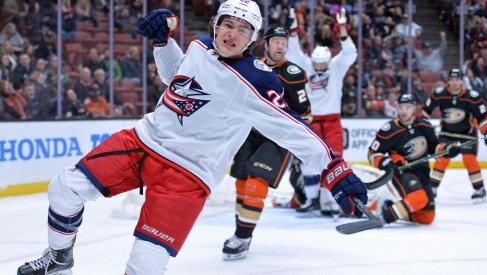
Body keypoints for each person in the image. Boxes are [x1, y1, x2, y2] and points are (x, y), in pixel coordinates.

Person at [17, 1, 368, 274]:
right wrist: (162, 41)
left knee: (146, 264)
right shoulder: (201, 46)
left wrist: (335, 170)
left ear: (253, 39)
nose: (232, 34)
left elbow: (294, 129)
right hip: (142, 143)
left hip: (187, 176)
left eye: (243, 30)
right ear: (216, 25)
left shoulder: (258, 81)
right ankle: (58, 259)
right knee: (65, 187)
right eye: (227, 24)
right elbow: (175, 75)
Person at [222, 26, 311, 261]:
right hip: (248, 133)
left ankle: (241, 237)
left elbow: (305, 112)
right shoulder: (251, 65)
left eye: (284, 42)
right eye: (277, 42)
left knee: (255, 184)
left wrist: (300, 140)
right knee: (241, 184)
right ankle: (243, 234)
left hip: (277, 137)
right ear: (267, 44)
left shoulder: (293, 73)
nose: (281, 46)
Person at [286, 7, 357, 216]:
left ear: (327, 61)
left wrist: (343, 30)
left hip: (333, 121)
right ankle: (310, 199)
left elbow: (351, 53)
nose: (318, 68)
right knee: (310, 162)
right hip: (311, 120)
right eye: (316, 64)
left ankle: (334, 202)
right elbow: (293, 53)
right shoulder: (307, 65)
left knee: (334, 162)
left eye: (321, 64)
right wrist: (292, 33)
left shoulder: (335, 67)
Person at [368, 94, 461, 225]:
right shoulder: (389, 130)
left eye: (408, 107)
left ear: (414, 108)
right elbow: (372, 154)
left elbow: (434, 147)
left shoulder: (424, 125)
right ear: (397, 108)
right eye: (401, 107)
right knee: (419, 198)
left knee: (426, 217)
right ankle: (383, 218)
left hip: (422, 171)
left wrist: (448, 149)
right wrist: (385, 162)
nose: (404, 111)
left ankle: (389, 206)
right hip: (403, 171)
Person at [423, 68, 487, 203]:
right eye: (452, 80)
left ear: (462, 81)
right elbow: (425, 112)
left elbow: (481, 117)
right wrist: (421, 130)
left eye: (457, 80)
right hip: (447, 133)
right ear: (448, 81)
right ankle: (432, 188)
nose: (454, 82)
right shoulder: (440, 94)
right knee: (442, 158)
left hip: (468, 134)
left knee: (469, 159)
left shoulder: (472, 96)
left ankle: (479, 189)